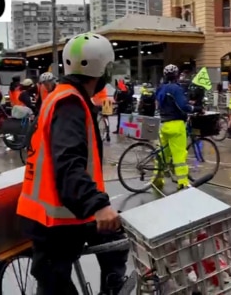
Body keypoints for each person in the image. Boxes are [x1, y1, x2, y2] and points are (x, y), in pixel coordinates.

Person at [16, 32, 131, 295]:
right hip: (52, 219)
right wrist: (98, 205)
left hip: (65, 208)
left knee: (117, 239)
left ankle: (112, 288)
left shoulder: (64, 96)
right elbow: (68, 163)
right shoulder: (69, 104)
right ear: (101, 70)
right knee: (56, 287)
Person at [155, 64, 203, 189]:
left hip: (164, 124)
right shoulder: (176, 88)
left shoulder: (161, 88)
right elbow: (183, 106)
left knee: (162, 154)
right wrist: (194, 108)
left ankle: (157, 179)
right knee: (179, 155)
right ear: (176, 75)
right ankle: (182, 182)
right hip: (176, 125)